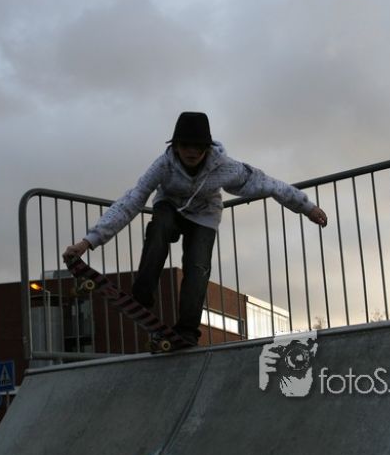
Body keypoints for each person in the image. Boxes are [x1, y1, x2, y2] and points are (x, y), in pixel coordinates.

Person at [64, 111, 328, 348]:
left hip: (204, 215)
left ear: (207, 148)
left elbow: (270, 185)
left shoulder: (225, 167)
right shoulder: (162, 165)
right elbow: (130, 202)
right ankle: (143, 290)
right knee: (159, 228)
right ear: (175, 146)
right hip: (169, 207)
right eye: (185, 147)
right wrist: (88, 242)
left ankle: (188, 330)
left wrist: (307, 207)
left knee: (197, 267)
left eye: (197, 148)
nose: (191, 153)